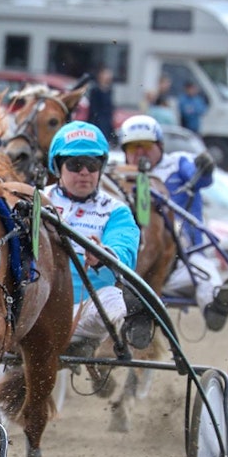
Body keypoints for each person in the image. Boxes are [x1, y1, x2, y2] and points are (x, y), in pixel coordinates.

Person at [118, 114, 228, 331]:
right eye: (132, 147)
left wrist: (205, 167)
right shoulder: (118, 176)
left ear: (160, 145)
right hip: (134, 256)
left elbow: (202, 178)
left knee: (203, 273)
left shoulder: (178, 163)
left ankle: (215, 307)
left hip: (184, 254)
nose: (139, 152)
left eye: (145, 145)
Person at [46, 121, 140, 355]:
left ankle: (108, 345)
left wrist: (104, 255)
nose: (85, 172)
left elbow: (125, 251)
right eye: (75, 164)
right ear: (58, 167)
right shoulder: (35, 201)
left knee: (116, 300)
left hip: (89, 308)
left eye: (92, 164)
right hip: (39, 307)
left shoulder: (116, 211)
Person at [87, 66, 116, 143]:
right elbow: (93, 107)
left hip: (107, 119)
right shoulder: (95, 90)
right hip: (97, 119)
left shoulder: (109, 90)